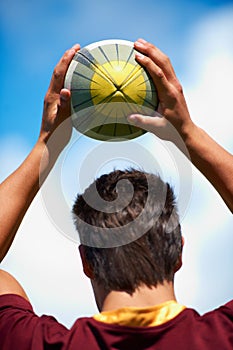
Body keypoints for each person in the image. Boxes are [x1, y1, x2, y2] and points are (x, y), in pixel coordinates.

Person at [0, 38, 232, 349]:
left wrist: (47, 144)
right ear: (179, 253)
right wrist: (188, 134)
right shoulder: (223, 335)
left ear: (87, 262)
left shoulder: (37, 343)